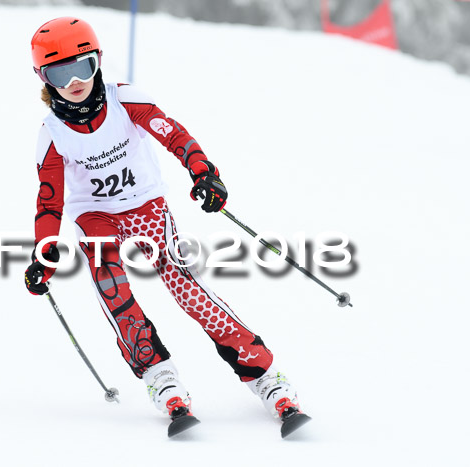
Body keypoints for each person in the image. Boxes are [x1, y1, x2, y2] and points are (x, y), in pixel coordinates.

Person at [24, 16, 308, 437]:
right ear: (44, 79)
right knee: (114, 292)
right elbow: (49, 201)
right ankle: (160, 376)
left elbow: (172, 133)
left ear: (98, 61)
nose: (74, 82)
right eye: (59, 73)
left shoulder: (125, 100)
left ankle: (265, 375)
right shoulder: (51, 135)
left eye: (82, 67)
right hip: (95, 216)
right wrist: (44, 251)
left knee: (187, 289)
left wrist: (203, 171)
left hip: (145, 204)